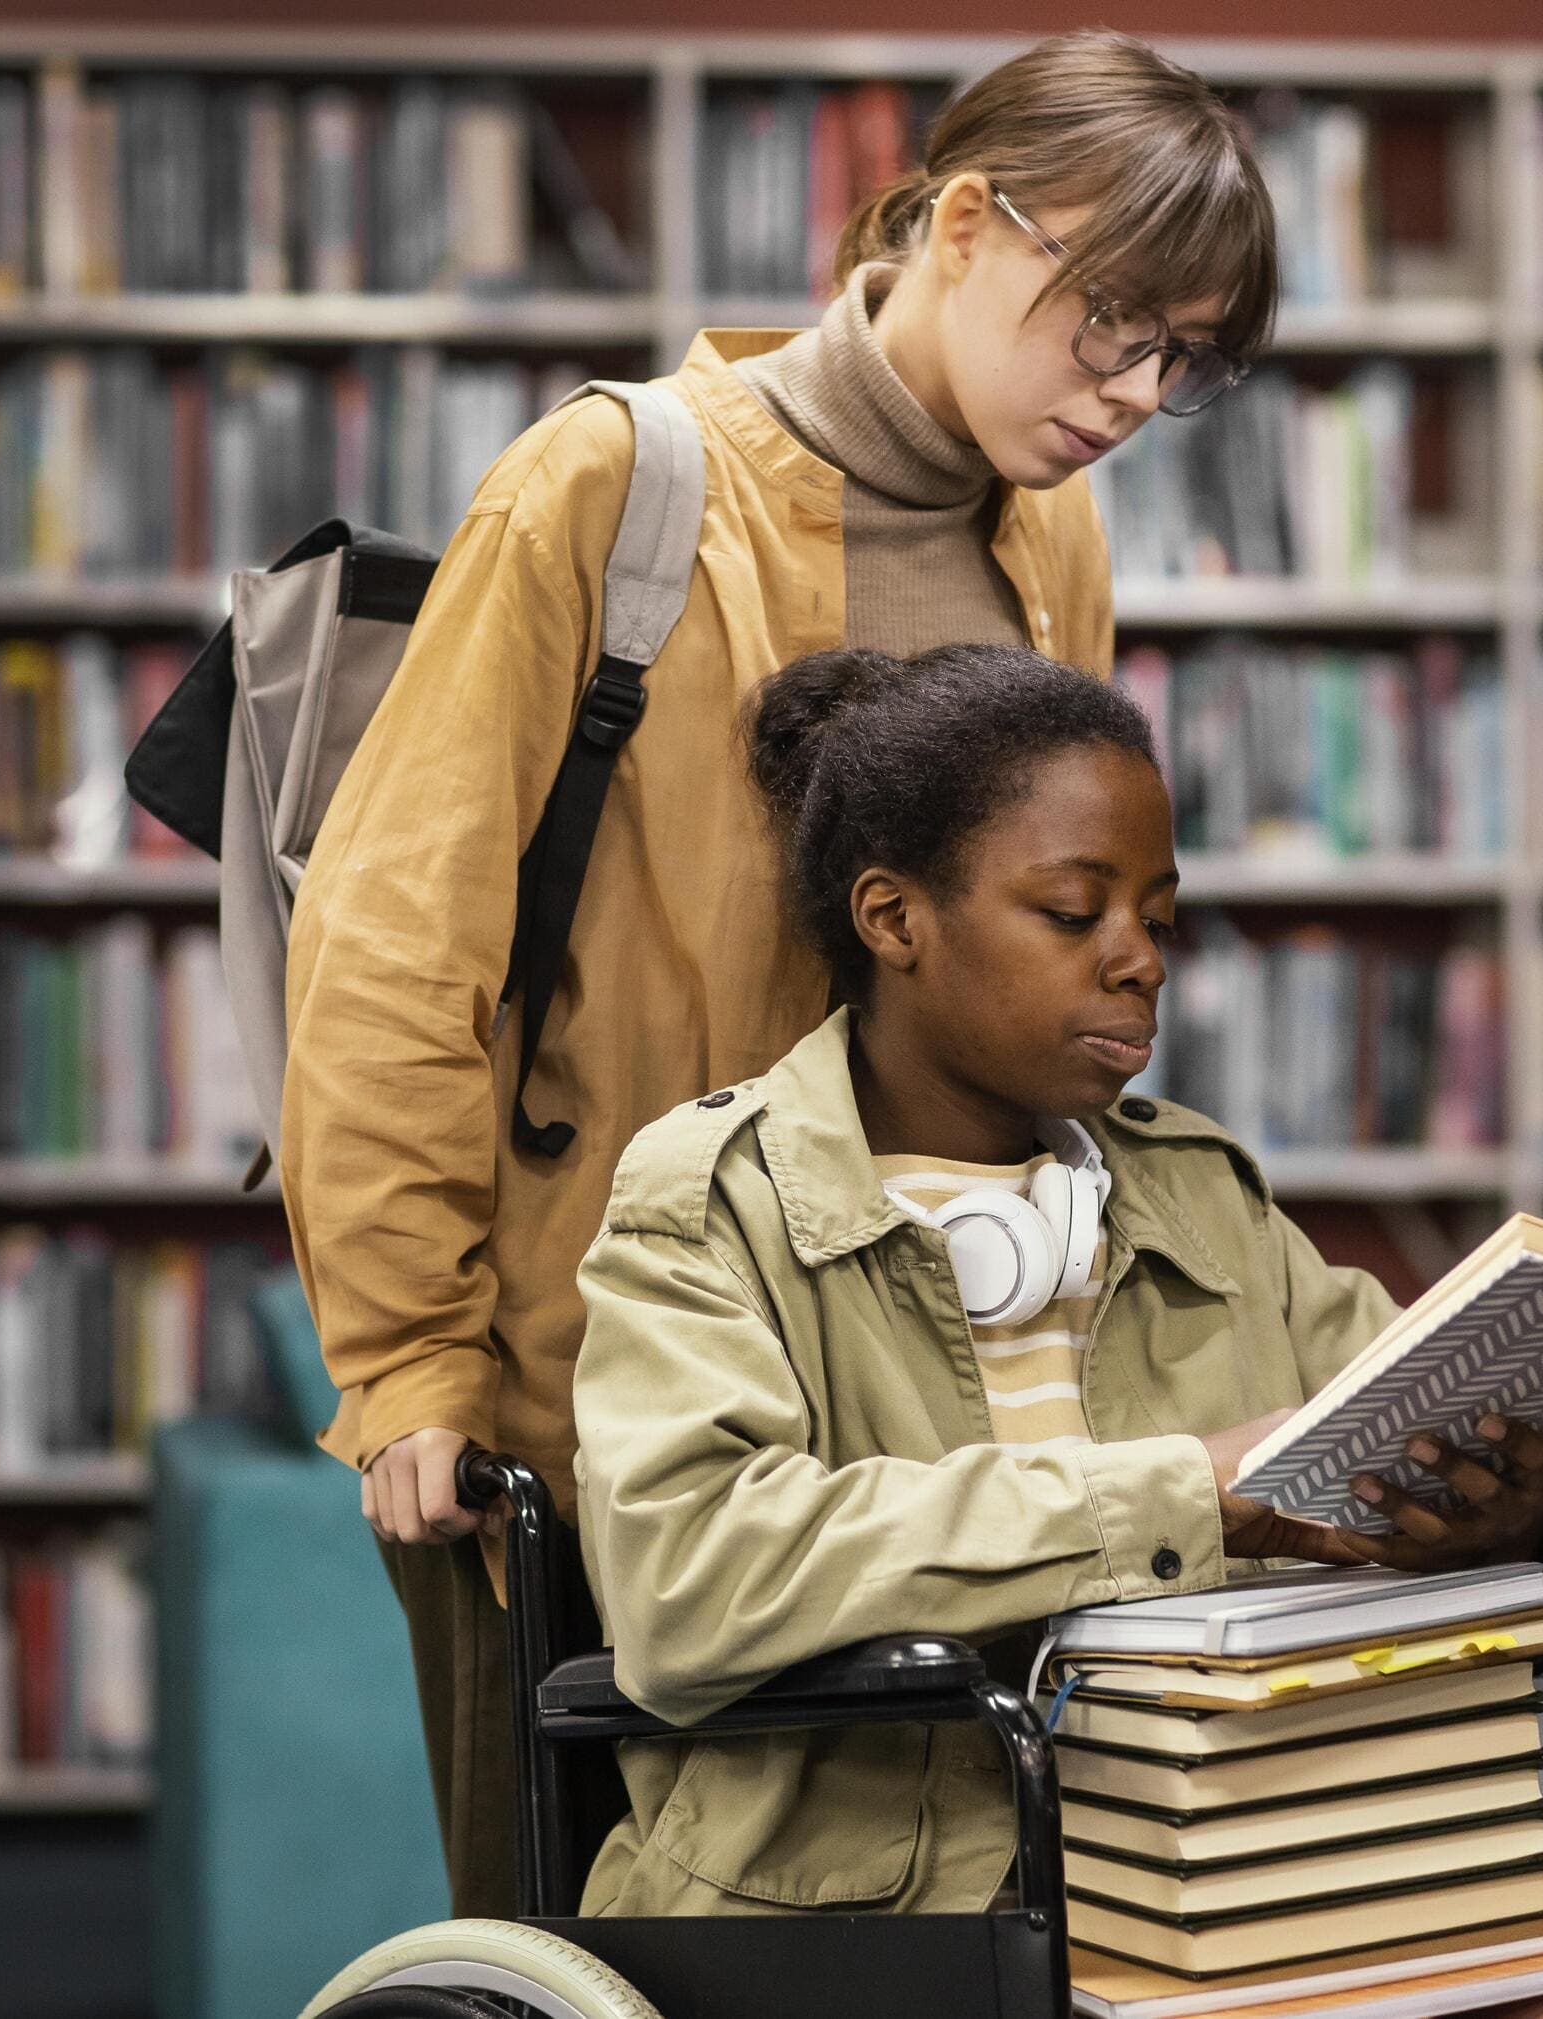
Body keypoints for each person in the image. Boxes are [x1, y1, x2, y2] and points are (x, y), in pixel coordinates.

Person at [282, 27, 1279, 1916]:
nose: (1137, 393)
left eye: (1185, 359)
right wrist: (409, 1358)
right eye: (1109, 325)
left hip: (931, 1377)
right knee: (604, 1916)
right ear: (962, 224)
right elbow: (396, 939)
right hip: (597, 1375)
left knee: (958, 1906)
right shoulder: (611, 485)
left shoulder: (1048, 530)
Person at [570, 642, 1543, 1926]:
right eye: (1077, 914)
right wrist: (1190, 1493)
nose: (1142, 961)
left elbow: (1429, 1416)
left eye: (1159, 918)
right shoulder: (713, 1200)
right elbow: (687, 1579)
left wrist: (1522, 1518)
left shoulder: (1197, 1191)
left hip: (1244, 1868)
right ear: (894, 920)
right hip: (901, 1919)